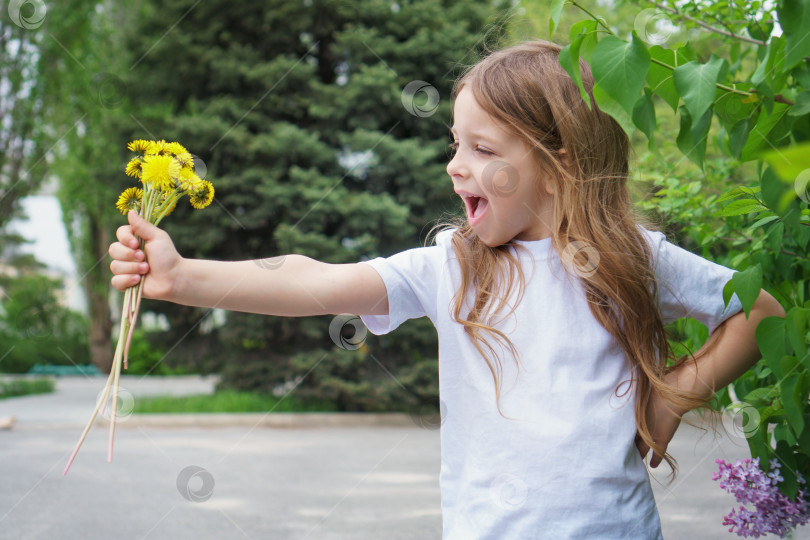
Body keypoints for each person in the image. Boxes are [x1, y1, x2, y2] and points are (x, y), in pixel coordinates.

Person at [108, 40, 785, 539]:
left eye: (484, 149)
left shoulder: (633, 258)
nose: (456, 166)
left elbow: (760, 313)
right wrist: (184, 277)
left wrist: (669, 404)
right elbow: (314, 278)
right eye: (456, 144)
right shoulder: (451, 267)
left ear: (559, 163)